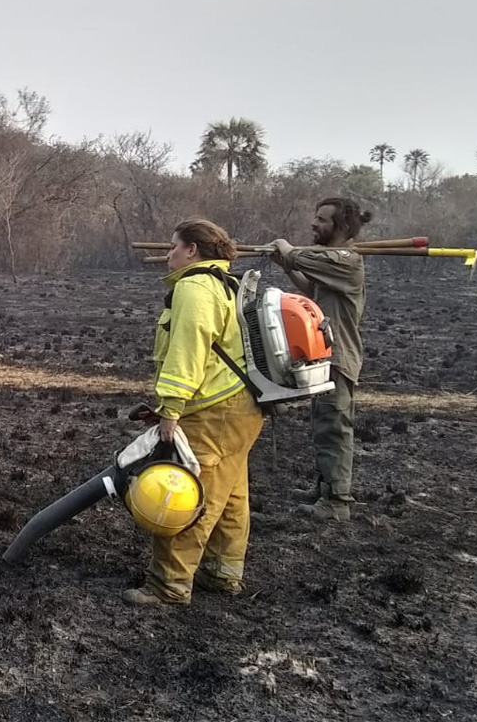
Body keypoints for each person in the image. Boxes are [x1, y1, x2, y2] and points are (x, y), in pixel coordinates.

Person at [124, 219, 265, 606]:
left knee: (188, 493)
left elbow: (188, 351)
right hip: (241, 408)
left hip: (213, 410)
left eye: (174, 246)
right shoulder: (224, 284)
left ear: (192, 250)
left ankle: (168, 585)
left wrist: (170, 408)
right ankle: (222, 572)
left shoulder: (194, 287)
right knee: (231, 493)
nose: (168, 254)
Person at [267, 198, 371, 522]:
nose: (314, 224)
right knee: (323, 425)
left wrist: (288, 251)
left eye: (321, 219)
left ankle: (338, 501)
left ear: (340, 227)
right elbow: (310, 286)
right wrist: (286, 263)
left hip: (339, 356)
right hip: (325, 354)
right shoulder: (332, 262)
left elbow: (304, 257)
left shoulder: (347, 262)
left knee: (336, 427)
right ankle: (325, 488)